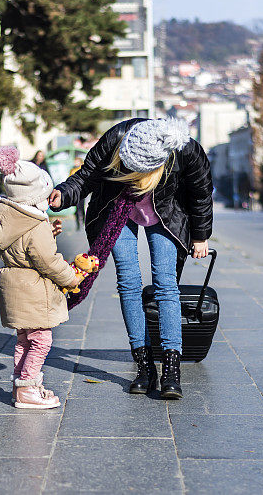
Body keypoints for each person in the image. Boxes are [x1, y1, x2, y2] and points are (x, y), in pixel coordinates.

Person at [50, 117, 213, 399]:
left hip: (167, 213)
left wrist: (200, 235)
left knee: (165, 284)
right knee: (128, 281)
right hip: (118, 209)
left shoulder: (186, 150)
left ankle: (171, 368)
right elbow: (86, 176)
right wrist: (63, 194)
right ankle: (144, 365)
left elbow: (201, 193)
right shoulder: (116, 139)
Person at [0, 146, 81, 409]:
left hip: (14, 287)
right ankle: (27, 388)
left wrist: (47, 234)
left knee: (23, 339)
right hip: (33, 289)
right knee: (41, 340)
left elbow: (23, 247)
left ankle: (21, 384)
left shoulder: (9, 217)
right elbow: (47, 261)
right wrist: (71, 277)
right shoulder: (36, 226)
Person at [70, 157, 85, 231]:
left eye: (77, 161)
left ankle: (83, 221)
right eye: (75, 161)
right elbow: (69, 180)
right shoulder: (72, 170)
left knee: (81, 208)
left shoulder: (82, 169)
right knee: (77, 208)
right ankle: (78, 224)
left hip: (82, 192)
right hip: (75, 192)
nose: (75, 163)